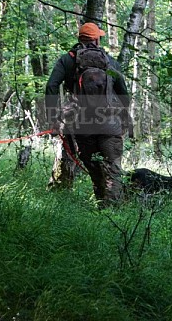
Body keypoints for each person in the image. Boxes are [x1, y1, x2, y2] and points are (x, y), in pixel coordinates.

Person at [45, 22, 132, 207]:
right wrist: (123, 117)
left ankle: (102, 202)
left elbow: (51, 86)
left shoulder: (67, 60)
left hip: (83, 124)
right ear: (97, 39)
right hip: (109, 123)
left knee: (93, 166)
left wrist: (53, 117)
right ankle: (112, 210)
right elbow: (123, 93)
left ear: (80, 38)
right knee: (113, 168)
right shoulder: (109, 61)